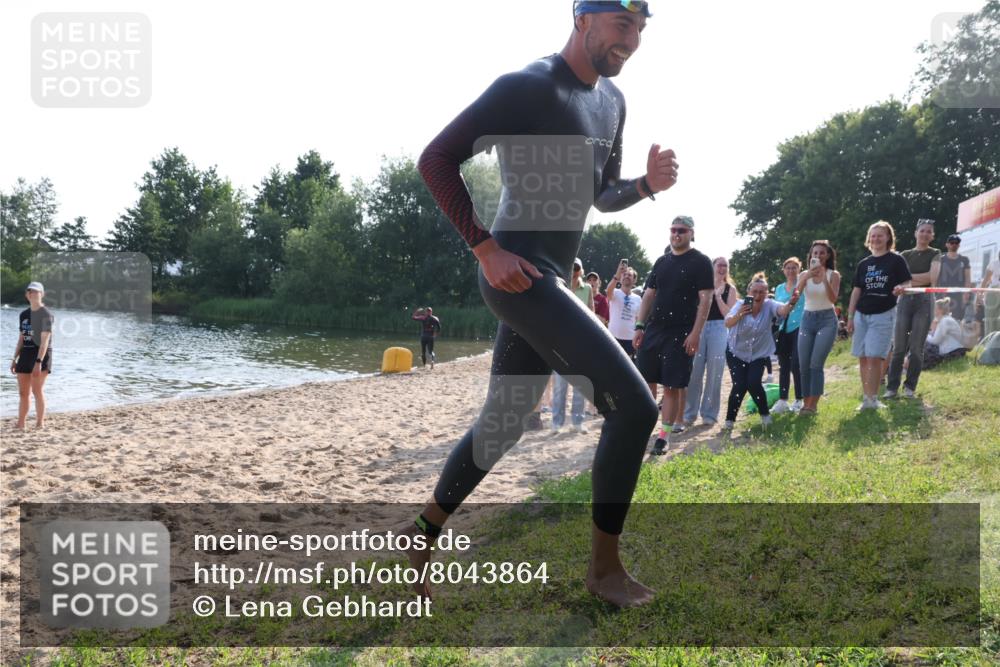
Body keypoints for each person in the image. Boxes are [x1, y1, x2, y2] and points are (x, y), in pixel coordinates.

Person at [414, 0, 674, 608]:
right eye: (621, 25)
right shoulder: (527, 87)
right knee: (635, 408)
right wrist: (484, 248)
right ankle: (604, 572)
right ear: (582, 19)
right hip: (517, 274)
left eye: (640, 29)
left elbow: (600, 196)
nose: (631, 40)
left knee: (503, 422)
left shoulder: (611, 101)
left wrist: (643, 186)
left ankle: (419, 537)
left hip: (552, 276)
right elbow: (436, 159)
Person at [634, 216, 714, 454]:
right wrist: (639, 325)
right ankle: (645, 427)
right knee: (645, 380)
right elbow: (649, 295)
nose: (676, 234)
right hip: (655, 329)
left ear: (691, 234)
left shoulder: (701, 262)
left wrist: (696, 333)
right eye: (673, 230)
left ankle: (664, 435)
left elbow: (706, 298)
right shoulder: (661, 261)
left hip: (682, 332)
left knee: (671, 385)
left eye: (682, 230)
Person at [847, 221, 913, 410]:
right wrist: (850, 317)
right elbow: (856, 291)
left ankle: (872, 398)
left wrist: (903, 288)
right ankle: (866, 398)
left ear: (888, 238)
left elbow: (907, 282)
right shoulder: (863, 264)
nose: (876, 239)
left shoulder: (896, 260)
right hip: (861, 314)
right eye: (873, 235)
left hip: (883, 314)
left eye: (880, 235)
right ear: (869, 238)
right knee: (862, 357)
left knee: (875, 356)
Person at [723, 273, 801, 430]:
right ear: (749, 292)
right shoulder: (740, 304)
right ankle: (729, 421)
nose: (758, 295)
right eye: (755, 291)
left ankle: (765, 416)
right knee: (739, 385)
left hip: (758, 353)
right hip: (735, 352)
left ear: (766, 294)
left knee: (753, 383)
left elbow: (783, 310)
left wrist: (791, 303)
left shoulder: (769, 305)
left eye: (762, 292)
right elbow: (727, 322)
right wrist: (740, 314)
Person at [885, 220, 940, 399]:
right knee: (899, 347)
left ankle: (910, 387)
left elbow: (932, 278)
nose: (925, 234)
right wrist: (910, 280)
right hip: (905, 300)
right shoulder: (904, 254)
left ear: (932, 235)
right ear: (915, 233)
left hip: (924, 301)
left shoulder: (936, 253)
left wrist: (907, 279)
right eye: (922, 231)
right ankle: (892, 387)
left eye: (928, 232)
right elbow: (896, 279)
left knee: (916, 348)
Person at [683, 256, 738, 426]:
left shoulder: (731, 289)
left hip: (720, 327)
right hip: (700, 326)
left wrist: (719, 297)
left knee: (715, 371)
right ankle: (689, 413)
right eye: (719, 265)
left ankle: (709, 414)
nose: (722, 268)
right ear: (712, 267)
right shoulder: (701, 285)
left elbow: (729, 315)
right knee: (695, 371)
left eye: (725, 265)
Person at [794, 240, 842, 415]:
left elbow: (832, 299)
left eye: (822, 253)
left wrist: (824, 280)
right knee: (803, 364)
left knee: (816, 363)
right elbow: (796, 296)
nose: (818, 256)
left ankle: (813, 405)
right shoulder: (804, 274)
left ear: (828, 255)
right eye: (815, 253)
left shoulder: (833, 274)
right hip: (807, 319)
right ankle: (805, 402)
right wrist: (805, 278)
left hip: (827, 320)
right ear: (811, 255)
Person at [552, 259, 595, 434]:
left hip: (582, 342)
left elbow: (591, 311)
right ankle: (557, 423)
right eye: (572, 267)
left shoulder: (588, 289)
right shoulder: (559, 286)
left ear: (581, 271)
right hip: (560, 342)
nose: (575, 271)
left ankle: (577, 421)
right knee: (560, 387)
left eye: (577, 268)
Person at [10, 282, 54, 430]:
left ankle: (40, 423)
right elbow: (21, 339)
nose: (32, 294)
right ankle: (21, 423)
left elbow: (45, 342)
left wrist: (38, 362)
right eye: (29, 291)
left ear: (42, 294)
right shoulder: (23, 315)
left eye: (35, 291)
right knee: (23, 393)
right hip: (25, 354)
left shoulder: (46, 315)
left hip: (40, 355)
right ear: (26, 295)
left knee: (36, 391)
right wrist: (14, 359)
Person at [772, 258, 805, 414]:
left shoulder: (803, 285)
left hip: (800, 325)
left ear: (799, 269)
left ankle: (800, 398)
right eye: (788, 268)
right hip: (783, 329)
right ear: (784, 270)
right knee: (783, 365)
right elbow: (776, 307)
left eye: (794, 268)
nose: (791, 271)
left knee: (796, 364)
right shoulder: (779, 288)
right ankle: (783, 399)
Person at [933, 233, 972, 320]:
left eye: (956, 243)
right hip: (942, 294)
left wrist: (966, 294)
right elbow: (935, 278)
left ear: (959, 245)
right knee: (940, 318)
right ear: (947, 244)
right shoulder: (940, 259)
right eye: (952, 243)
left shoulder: (964, 260)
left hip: (959, 294)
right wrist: (934, 293)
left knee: (957, 319)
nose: (954, 245)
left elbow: (968, 278)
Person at [606, 262, 642, 356]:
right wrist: (617, 275)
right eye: (624, 274)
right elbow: (608, 291)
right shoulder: (615, 292)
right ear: (621, 279)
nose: (626, 276)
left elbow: (638, 319)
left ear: (634, 280)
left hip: (629, 340)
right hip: (612, 337)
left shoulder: (638, 299)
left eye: (629, 275)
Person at [924, 297, 968, 368]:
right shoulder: (945, 320)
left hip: (953, 352)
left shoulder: (945, 321)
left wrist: (924, 335)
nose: (932, 310)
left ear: (940, 310)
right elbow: (935, 337)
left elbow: (935, 341)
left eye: (934, 308)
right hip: (954, 351)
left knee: (924, 346)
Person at [979, 250, 1000, 337]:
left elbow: (986, 280)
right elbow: (986, 280)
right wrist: (980, 294)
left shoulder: (994, 263)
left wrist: (980, 294)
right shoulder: (994, 263)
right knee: (991, 320)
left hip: (994, 292)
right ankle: (991, 343)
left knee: (991, 320)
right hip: (993, 292)